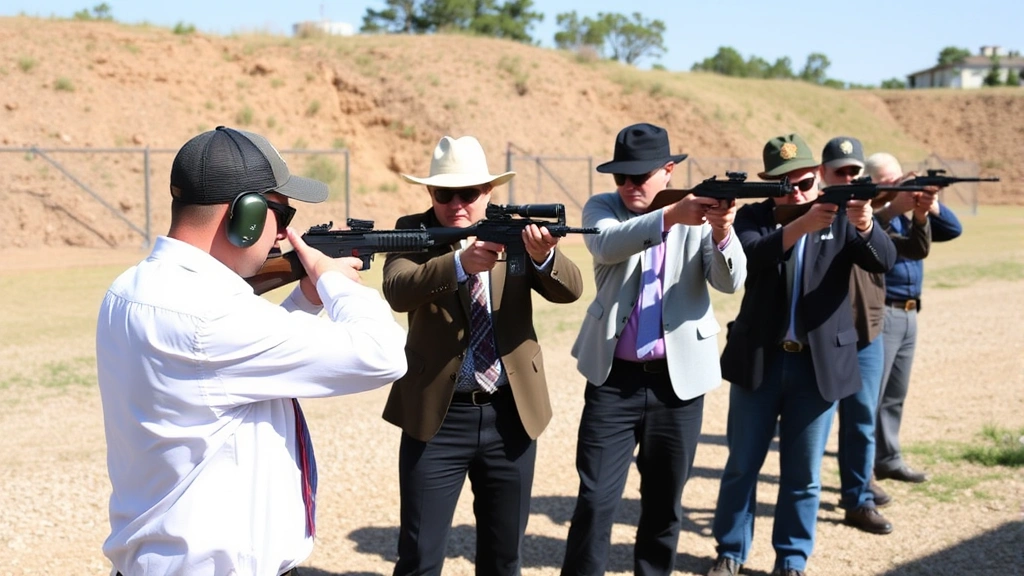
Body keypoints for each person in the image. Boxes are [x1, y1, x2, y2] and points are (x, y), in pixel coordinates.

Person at [96, 126, 409, 576]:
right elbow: (383, 355)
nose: (283, 235)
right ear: (245, 214)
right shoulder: (210, 316)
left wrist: (307, 298)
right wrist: (333, 280)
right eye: (281, 216)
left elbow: (238, 370)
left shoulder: (130, 289)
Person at [381, 135, 584, 576]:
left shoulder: (515, 230)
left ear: (488, 192)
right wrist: (457, 264)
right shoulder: (413, 230)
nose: (457, 203)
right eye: (443, 193)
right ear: (429, 194)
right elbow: (397, 289)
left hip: (511, 413)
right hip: (437, 418)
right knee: (419, 557)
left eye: (468, 193)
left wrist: (544, 257)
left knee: (504, 557)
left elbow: (571, 290)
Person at [561, 122, 746, 576]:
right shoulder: (603, 207)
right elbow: (604, 246)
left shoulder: (696, 217)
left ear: (667, 171)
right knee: (596, 499)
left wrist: (722, 231)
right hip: (614, 381)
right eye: (620, 177)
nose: (627, 186)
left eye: (638, 176)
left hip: (676, 385)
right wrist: (671, 216)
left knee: (665, 503)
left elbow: (730, 281)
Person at [708, 134, 896, 576]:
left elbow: (883, 261)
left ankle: (792, 558)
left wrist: (865, 221)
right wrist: (801, 224)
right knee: (741, 465)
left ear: (819, 178)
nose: (795, 191)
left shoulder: (843, 216)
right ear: (767, 185)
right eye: (782, 184)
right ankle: (731, 551)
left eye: (804, 181)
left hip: (817, 367)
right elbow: (751, 257)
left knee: (804, 474)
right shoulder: (755, 216)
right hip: (761, 360)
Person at [819, 137, 934, 534]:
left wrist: (917, 214)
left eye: (855, 171)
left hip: (866, 328)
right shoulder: (818, 212)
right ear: (824, 174)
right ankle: (805, 495)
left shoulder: (868, 215)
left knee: (862, 419)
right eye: (842, 171)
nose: (849, 178)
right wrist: (887, 210)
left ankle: (858, 496)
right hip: (825, 332)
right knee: (818, 424)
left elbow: (912, 249)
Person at [865, 152, 963, 484]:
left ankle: (889, 458)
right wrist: (896, 204)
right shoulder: (872, 213)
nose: (898, 186)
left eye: (900, 179)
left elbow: (953, 229)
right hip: (882, 310)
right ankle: (861, 473)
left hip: (909, 311)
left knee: (894, 394)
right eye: (890, 181)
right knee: (870, 398)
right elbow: (869, 230)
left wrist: (926, 202)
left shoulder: (906, 213)